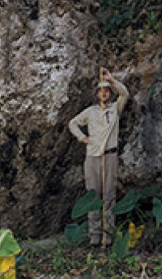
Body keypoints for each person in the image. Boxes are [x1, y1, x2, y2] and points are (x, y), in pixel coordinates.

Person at [67, 68, 130, 247]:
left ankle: (108, 234)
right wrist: (82, 138)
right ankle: (94, 235)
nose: (104, 93)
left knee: (109, 195)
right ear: (97, 94)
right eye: (101, 91)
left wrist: (112, 80)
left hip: (110, 156)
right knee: (93, 195)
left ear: (110, 93)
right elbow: (73, 123)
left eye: (107, 91)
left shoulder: (115, 109)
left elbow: (125, 94)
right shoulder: (91, 111)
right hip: (93, 157)